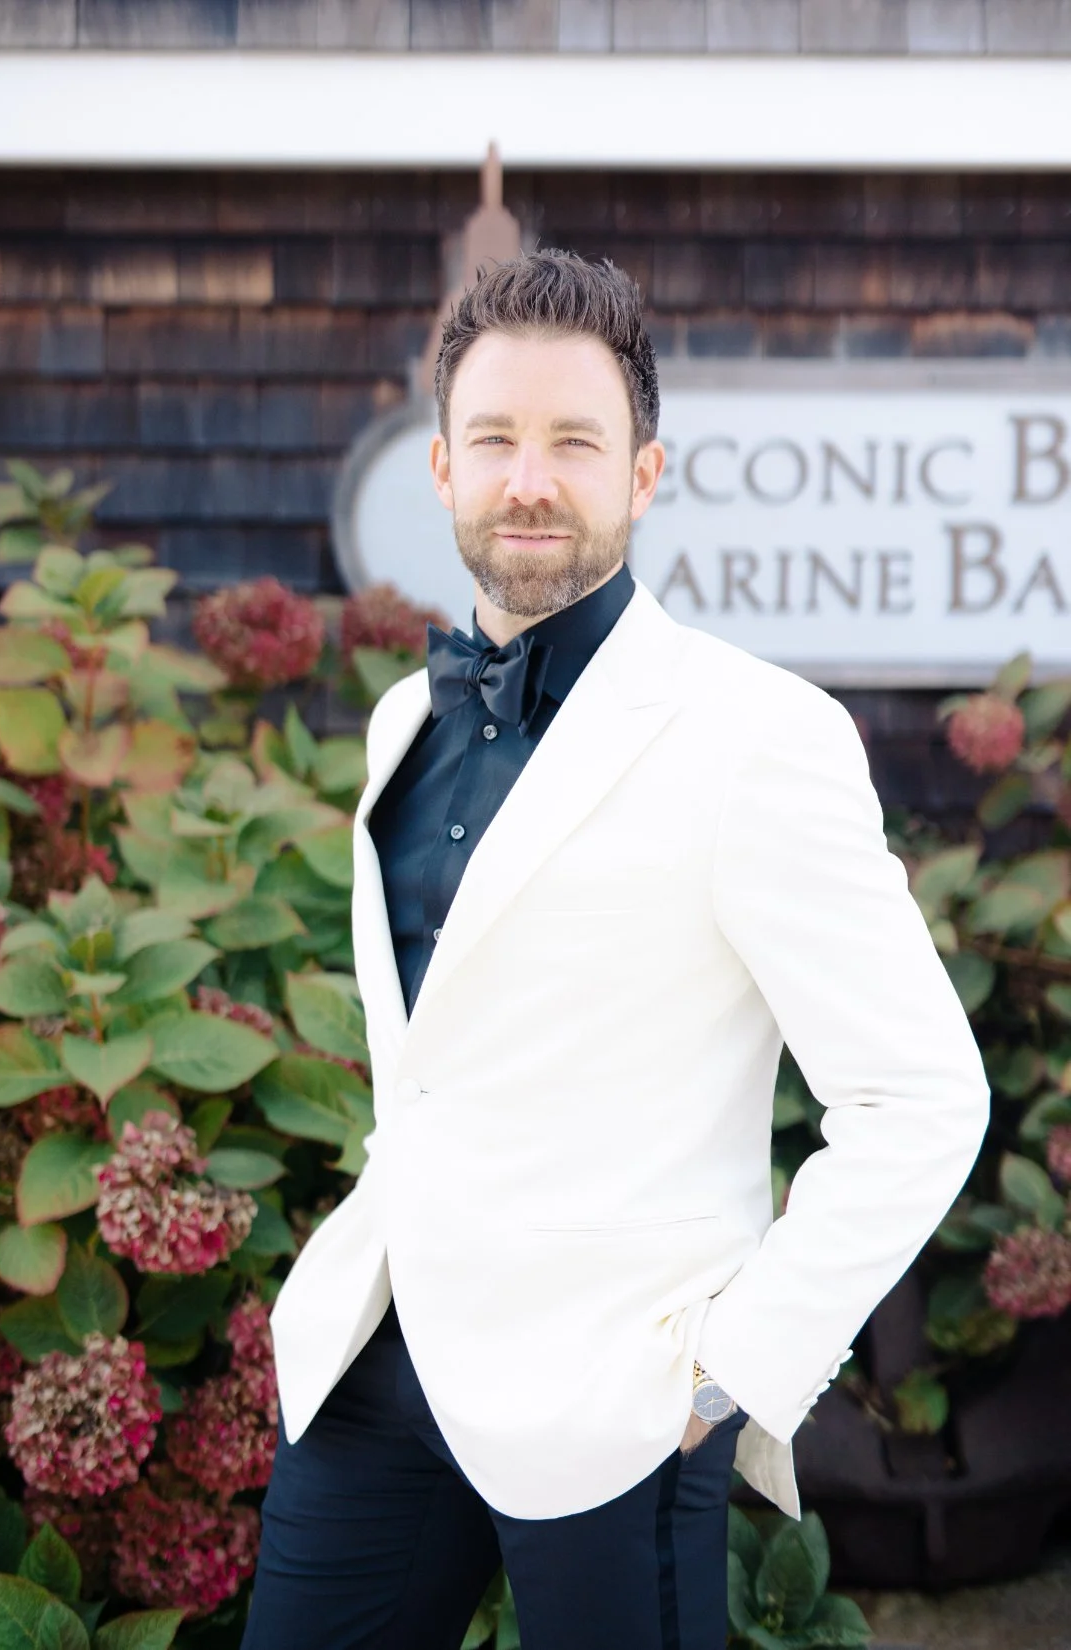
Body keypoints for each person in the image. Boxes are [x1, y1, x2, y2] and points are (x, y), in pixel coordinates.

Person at [244, 250, 990, 1650]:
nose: (533, 477)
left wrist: (734, 1374)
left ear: (643, 473)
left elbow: (923, 1096)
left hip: (619, 1401)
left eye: (575, 440)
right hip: (381, 1360)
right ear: (446, 473)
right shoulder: (405, 722)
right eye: (497, 440)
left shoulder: (758, 738)